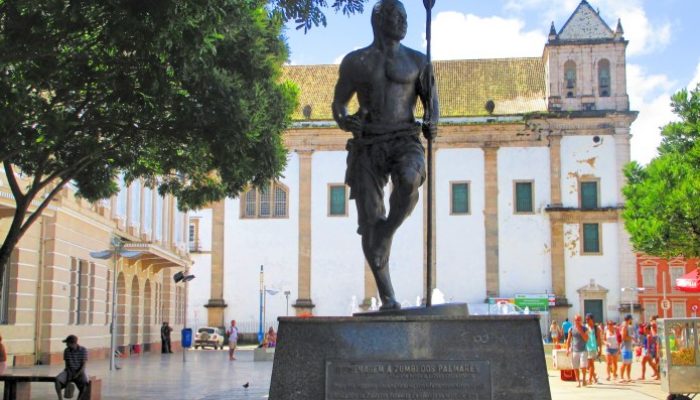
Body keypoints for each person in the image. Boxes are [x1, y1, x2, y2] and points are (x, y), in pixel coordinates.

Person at [332, 0, 439, 310]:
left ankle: (387, 231)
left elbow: (431, 100)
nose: (403, 22)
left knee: (409, 180)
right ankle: (387, 296)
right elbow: (339, 103)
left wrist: (433, 121)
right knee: (368, 218)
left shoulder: (418, 61)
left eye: (405, 16)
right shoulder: (356, 62)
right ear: (378, 20)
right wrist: (344, 119)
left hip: (405, 138)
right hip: (368, 143)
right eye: (396, 16)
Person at [55, 335, 88, 400]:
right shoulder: (66, 351)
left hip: (80, 371)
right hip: (69, 370)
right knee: (57, 380)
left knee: (85, 385)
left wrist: (77, 374)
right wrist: (69, 377)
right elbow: (67, 365)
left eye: (67, 343)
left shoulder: (83, 350)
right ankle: (60, 398)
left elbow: (83, 365)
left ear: (72, 343)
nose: (66, 345)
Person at [565, 314, 589, 387]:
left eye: (579, 320)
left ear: (581, 320)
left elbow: (586, 339)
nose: (577, 321)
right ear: (574, 320)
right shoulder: (571, 329)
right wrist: (567, 349)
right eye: (576, 320)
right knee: (575, 367)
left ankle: (584, 379)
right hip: (574, 350)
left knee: (583, 366)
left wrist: (580, 330)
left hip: (583, 350)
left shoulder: (585, 328)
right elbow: (568, 340)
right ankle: (578, 381)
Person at [584, 314, 602, 384]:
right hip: (585, 348)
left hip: (593, 348)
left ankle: (590, 379)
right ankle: (595, 377)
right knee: (588, 365)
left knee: (591, 364)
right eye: (586, 319)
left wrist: (600, 349)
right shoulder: (585, 327)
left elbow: (599, 339)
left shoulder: (596, 328)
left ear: (592, 319)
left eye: (588, 319)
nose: (587, 320)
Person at [619, 314, 635, 382]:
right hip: (625, 347)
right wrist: (631, 337)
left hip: (629, 347)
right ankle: (621, 377)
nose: (631, 320)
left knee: (629, 363)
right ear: (629, 319)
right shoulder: (624, 327)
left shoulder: (629, 326)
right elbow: (623, 337)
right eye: (631, 319)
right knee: (624, 363)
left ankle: (628, 377)